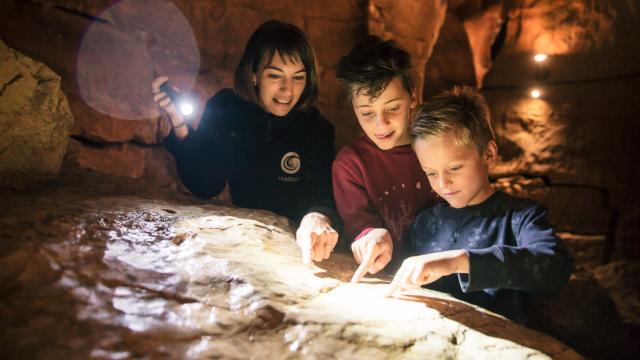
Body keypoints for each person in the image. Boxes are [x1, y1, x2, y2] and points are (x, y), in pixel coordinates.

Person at [151, 20, 339, 264]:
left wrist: (318, 215)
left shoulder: (316, 129)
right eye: (275, 75)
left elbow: (323, 193)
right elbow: (206, 184)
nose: (287, 90)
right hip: (244, 248)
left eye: (298, 78)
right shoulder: (227, 109)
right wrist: (180, 127)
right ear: (253, 74)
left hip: (299, 250)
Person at [386, 86, 574, 324]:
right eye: (431, 172)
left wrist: (459, 261)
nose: (443, 183)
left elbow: (554, 269)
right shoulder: (424, 222)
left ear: (488, 154)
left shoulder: (520, 218)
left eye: (454, 168)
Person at [333, 36, 436, 283]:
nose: (381, 124)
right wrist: (369, 237)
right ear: (354, 108)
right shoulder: (351, 164)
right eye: (367, 113)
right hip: (390, 281)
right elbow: (360, 229)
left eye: (392, 108)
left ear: (412, 96)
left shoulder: (437, 147)